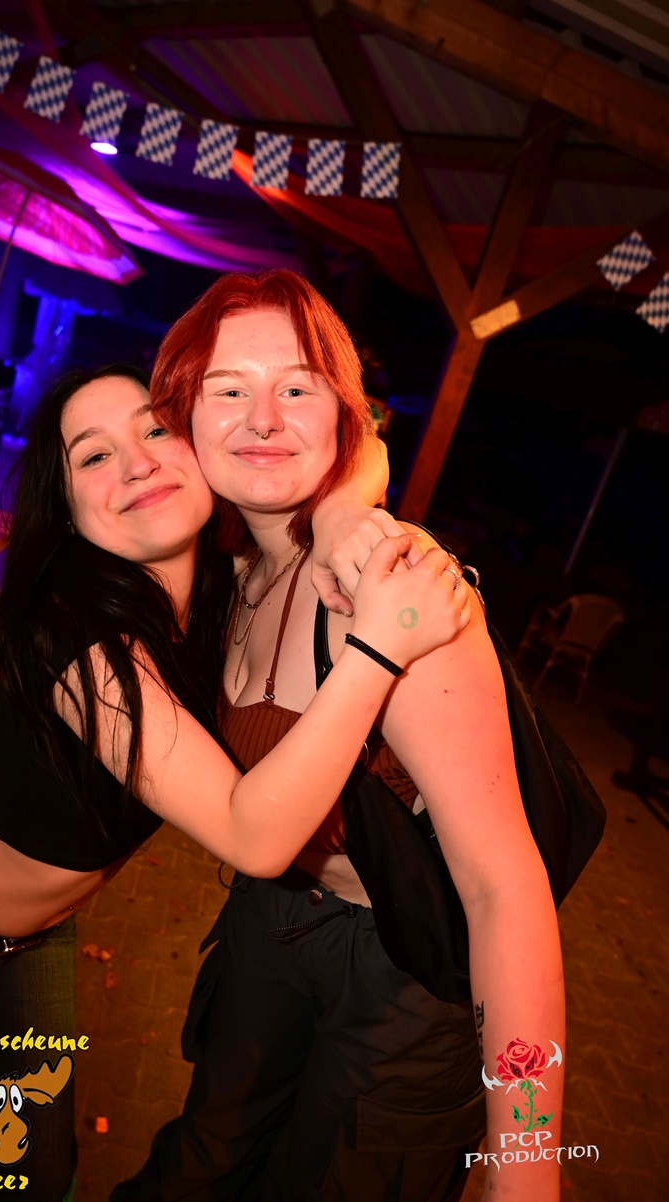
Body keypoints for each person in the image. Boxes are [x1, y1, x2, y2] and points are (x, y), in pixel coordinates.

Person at [0, 362, 469, 1201]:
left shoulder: (229, 589)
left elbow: (361, 431)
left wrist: (338, 516)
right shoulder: (77, 637)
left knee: (30, 1171)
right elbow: (253, 837)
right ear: (67, 507)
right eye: (93, 455)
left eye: (156, 428)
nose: (138, 462)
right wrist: (379, 647)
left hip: (29, 934)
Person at [112, 272, 566, 1202]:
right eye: (228, 389)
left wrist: (525, 1164)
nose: (263, 417)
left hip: (403, 970)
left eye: (298, 386)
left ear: (343, 416)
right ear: (183, 420)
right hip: (268, 919)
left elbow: (504, 893)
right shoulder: (232, 567)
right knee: (204, 1159)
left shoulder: (393, 587)